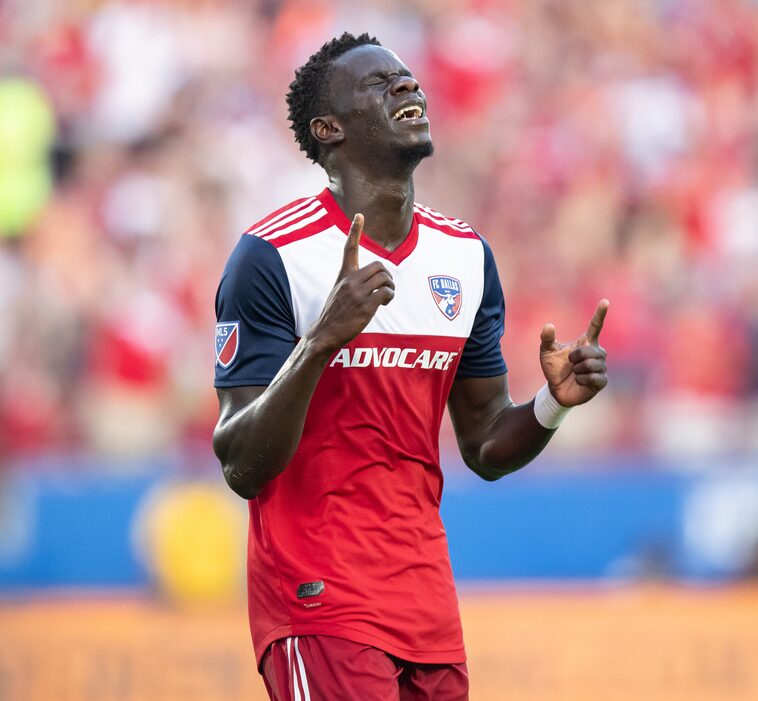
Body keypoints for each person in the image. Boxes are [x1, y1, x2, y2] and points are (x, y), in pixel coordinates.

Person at [212, 32, 609, 701]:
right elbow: (241, 463)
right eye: (378, 83)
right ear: (328, 128)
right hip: (320, 599)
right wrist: (320, 342)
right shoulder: (271, 256)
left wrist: (551, 404)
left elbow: (483, 443)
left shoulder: (464, 256)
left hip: (426, 605)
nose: (406, 86)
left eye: (407, 78)